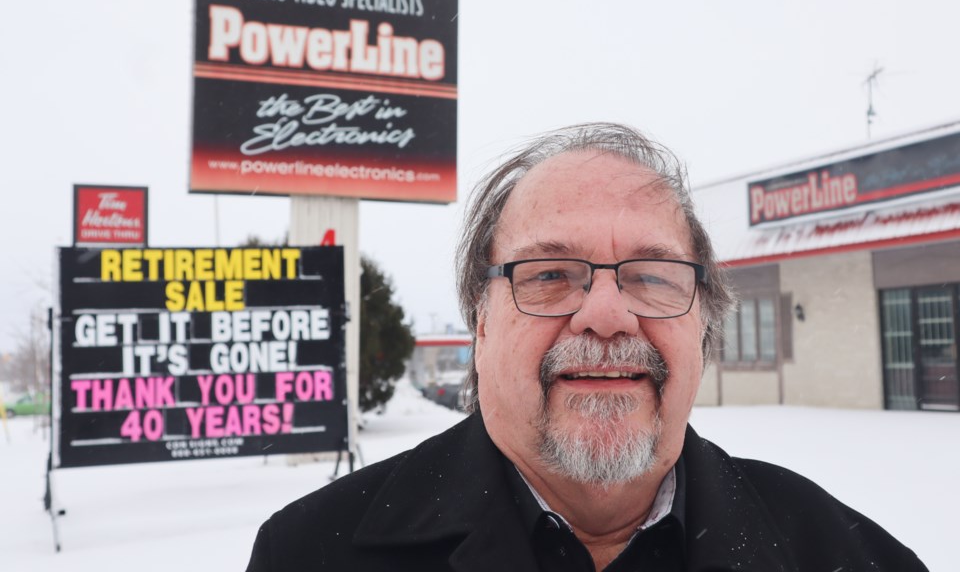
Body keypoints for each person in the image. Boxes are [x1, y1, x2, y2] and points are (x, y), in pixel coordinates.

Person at [246, 123, 928, 571]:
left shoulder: (847, 555)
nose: (607, 317)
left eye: (653, 277)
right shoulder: (308, 553)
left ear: (704, 326)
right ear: (480, 322)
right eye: (549, 275)